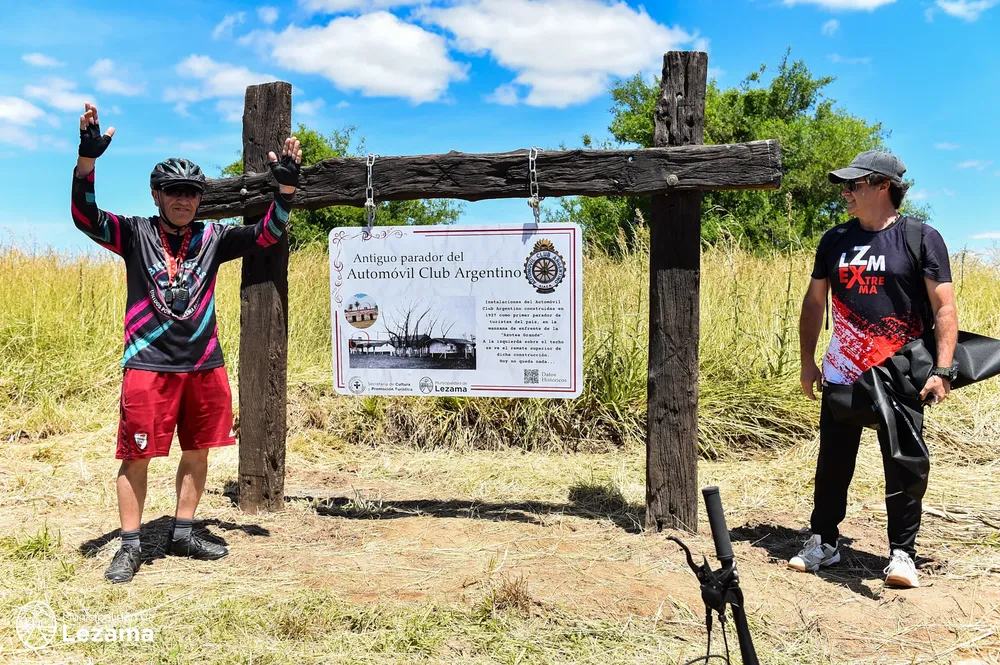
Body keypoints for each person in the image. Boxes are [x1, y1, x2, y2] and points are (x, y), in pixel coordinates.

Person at [71, 102, 302, 583]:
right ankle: (130, 545)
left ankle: (182, 531)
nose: (183, 200)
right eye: (173, 192)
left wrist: (284, 188)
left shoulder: (214, 238)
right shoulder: (134, 233)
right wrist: (87, 160)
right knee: (136, 456)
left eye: (191, 193)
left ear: (200, 199)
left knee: (198, 451)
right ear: (156, 195)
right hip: (147, 365)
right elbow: (85, 217)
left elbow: (268, 233)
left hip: (204, 366)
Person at [794, 151, 957, 588]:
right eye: (844, 186)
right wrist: (808, 361)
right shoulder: (834, 240)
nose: (845, 192)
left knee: (903, 463)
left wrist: (942, 369)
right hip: (844, 371)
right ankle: (823, 541)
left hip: (901, 372)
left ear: (883, 186)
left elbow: (944, 306)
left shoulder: (921, 237)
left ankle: (903, 554)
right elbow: (814, 304)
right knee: (832, 462)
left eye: (854, 185)